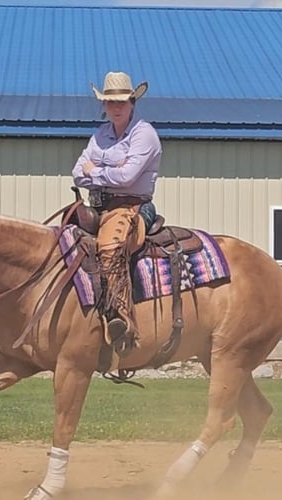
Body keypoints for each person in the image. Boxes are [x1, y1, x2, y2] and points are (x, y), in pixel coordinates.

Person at [72, 71, 162, 354]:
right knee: (64, 240)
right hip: (97, 206)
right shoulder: (100, 135)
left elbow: (128, 178)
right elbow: (77, 173)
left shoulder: (144, 133)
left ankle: (121, 321)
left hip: (132, 206)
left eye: (122, 101)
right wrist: (112, 170)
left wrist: (96, 170)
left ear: (132, 102)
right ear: (104, 105)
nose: (116, 107)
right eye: (110, 102)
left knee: (110, 249)